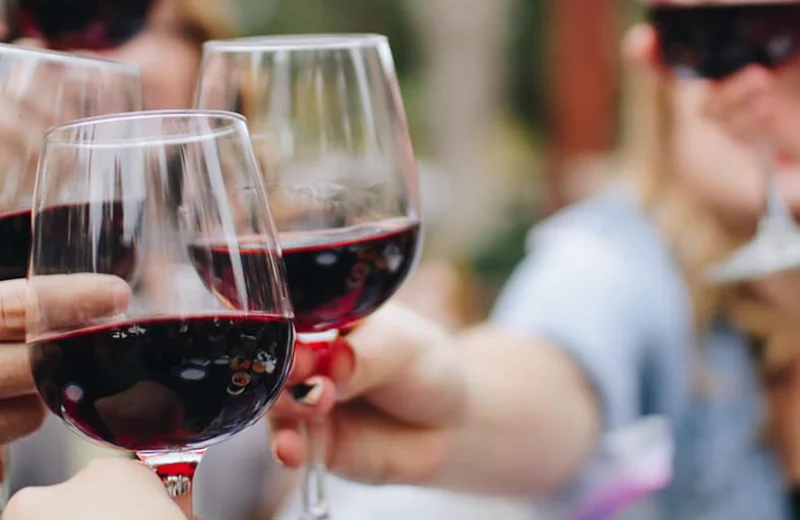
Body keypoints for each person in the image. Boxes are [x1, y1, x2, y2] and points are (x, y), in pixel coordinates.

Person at [266, 7, 800, 520]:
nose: (760, 86)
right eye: (726, 53)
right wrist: (459, 402)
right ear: (662, 73)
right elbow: (553, 368)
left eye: (790, 38)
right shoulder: (618, 256)